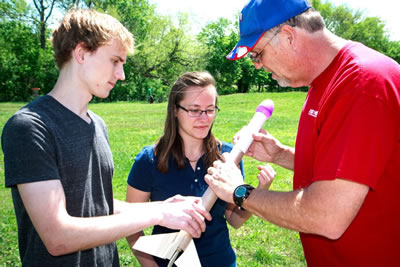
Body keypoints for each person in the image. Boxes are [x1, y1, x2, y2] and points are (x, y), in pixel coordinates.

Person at [1, 9, 211, 266]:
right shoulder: (31, 126)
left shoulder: (98, 125)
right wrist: (157, 213)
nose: (121, 74)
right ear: (81, 53)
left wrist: (161, 207)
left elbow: (96, 203)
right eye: (114, 61)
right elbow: (57, 236)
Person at [205, 0, 400, 266]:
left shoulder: (362, 84)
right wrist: (281, 154)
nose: (257, 65)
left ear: (288, 37)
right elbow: (347, 170)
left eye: (257, 54)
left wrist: (240, 192)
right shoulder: (326, 80)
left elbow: (327, 216)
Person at [125, 71, 276, 267]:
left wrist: (260, 192)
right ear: (175, 110)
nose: (204, 118)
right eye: (195, 110)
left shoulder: (229, 157)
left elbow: (235, 219)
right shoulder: (149, 160)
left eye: (210, 109)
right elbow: (131, 223)